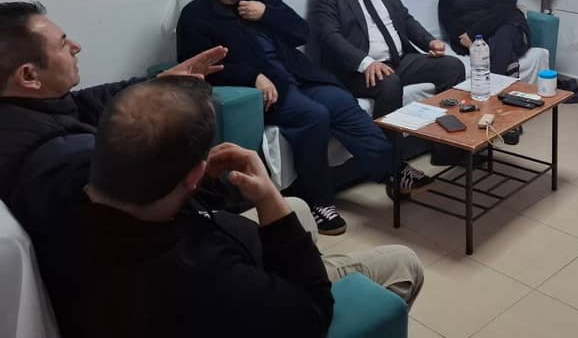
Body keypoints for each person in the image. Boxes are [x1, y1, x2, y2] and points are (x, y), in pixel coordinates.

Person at [42, 76, 423, 338]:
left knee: (297, 207)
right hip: (273, 289)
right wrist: (268, 198)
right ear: (195, 174)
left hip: (222, 247)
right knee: (403, 261)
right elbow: (312, 314)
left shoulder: (62, 194)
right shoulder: (207, 277)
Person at [176, 0, 433, 236]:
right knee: (314, 115)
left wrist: (266, 14)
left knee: (341, 102)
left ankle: (392, 171)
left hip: (300, 76)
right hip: (266, 90)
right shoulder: (196, 15)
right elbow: (197, 68)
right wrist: (253, 76)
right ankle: (319, 202)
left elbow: (301, 33)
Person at [0, 0, 225, 218]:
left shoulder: (26, 108)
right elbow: (153, 207)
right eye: (62, 44)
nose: (76, 47)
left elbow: (83, 102)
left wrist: (157, 83)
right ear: (29, 76)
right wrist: (205, 178)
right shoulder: (66, 160)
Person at [308, 0, 467, 165]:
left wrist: (430, 42)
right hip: (356, 70)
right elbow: (329, 36)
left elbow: (406, 20)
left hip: (398, 60)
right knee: (389, 83)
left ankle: (447, 150)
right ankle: (391, 164)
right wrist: (366, 62)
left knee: (452, 66)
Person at [438, 0, 530, 144]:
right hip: (470, 38)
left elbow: (504, 11)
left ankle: (495, 109)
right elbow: (445, 12)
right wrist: (461, 36)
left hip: (508, 28)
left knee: (502, 37)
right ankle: (506, 113)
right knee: (497, 48)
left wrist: (473, 34)